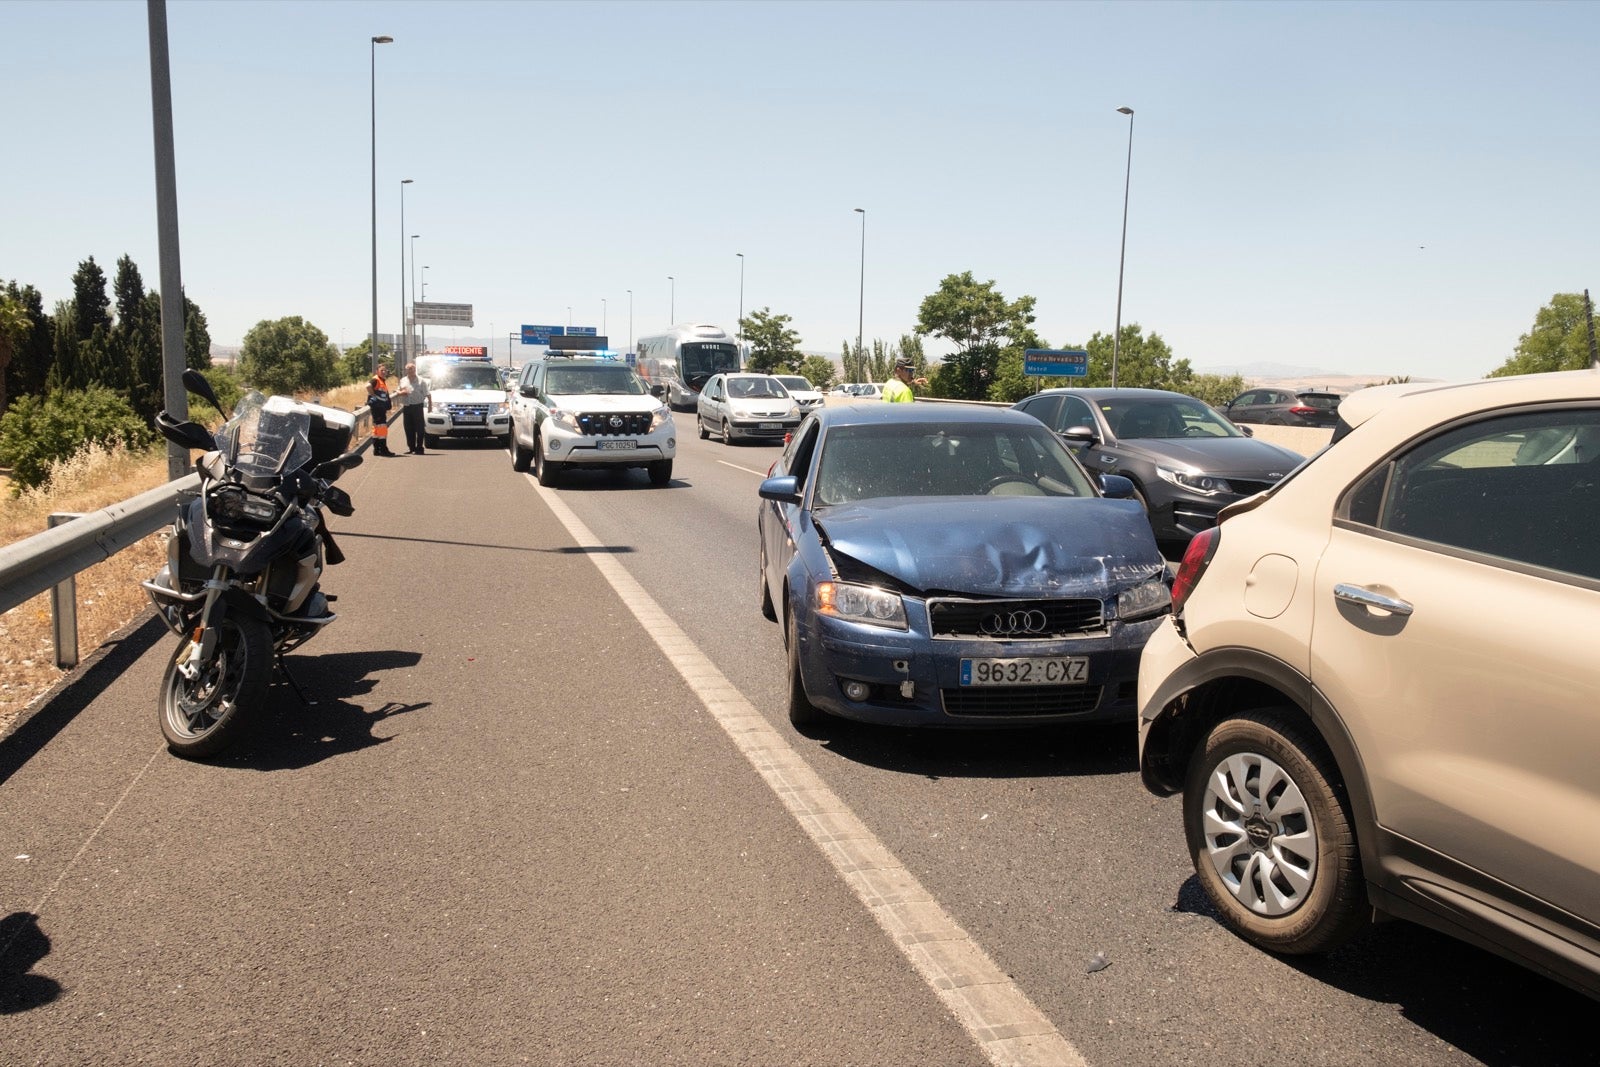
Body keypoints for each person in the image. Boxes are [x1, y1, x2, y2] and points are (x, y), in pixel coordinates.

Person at [394, 361, 430, 454]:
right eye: (408, 369)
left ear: (415, 370)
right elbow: (398, 390)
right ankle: (411, 448)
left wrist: (430, 406)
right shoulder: (403, 380)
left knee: (419, 428)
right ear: (406, 370)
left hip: (417, 406)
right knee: (408, 428)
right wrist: (400, 392)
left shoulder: (421, 381)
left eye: (412, 369)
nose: (410, 371)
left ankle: (419, 447)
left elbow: (428, 394)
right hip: (407, 406)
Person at [366, 363, 394, 456]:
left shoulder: (381, 380)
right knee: (382, 427)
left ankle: (377, 449)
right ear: (377, 371)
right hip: (377, 408)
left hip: (379, 408)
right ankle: (383, 449)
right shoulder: (376, 379)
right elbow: (368, 386)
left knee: (377, 428)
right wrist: (374, 396)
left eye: (385, 370)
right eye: (381, 370)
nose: (383, 372)